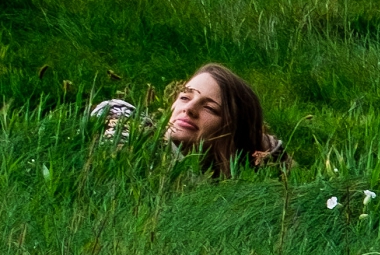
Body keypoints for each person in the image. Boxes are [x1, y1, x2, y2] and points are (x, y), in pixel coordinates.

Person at [94, 63, 282, 174]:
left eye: (209, 108)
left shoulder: (226, 195)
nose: (189, 109)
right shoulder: (121, 114)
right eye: (184, 97)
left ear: (232, 129)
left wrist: (260, 145)